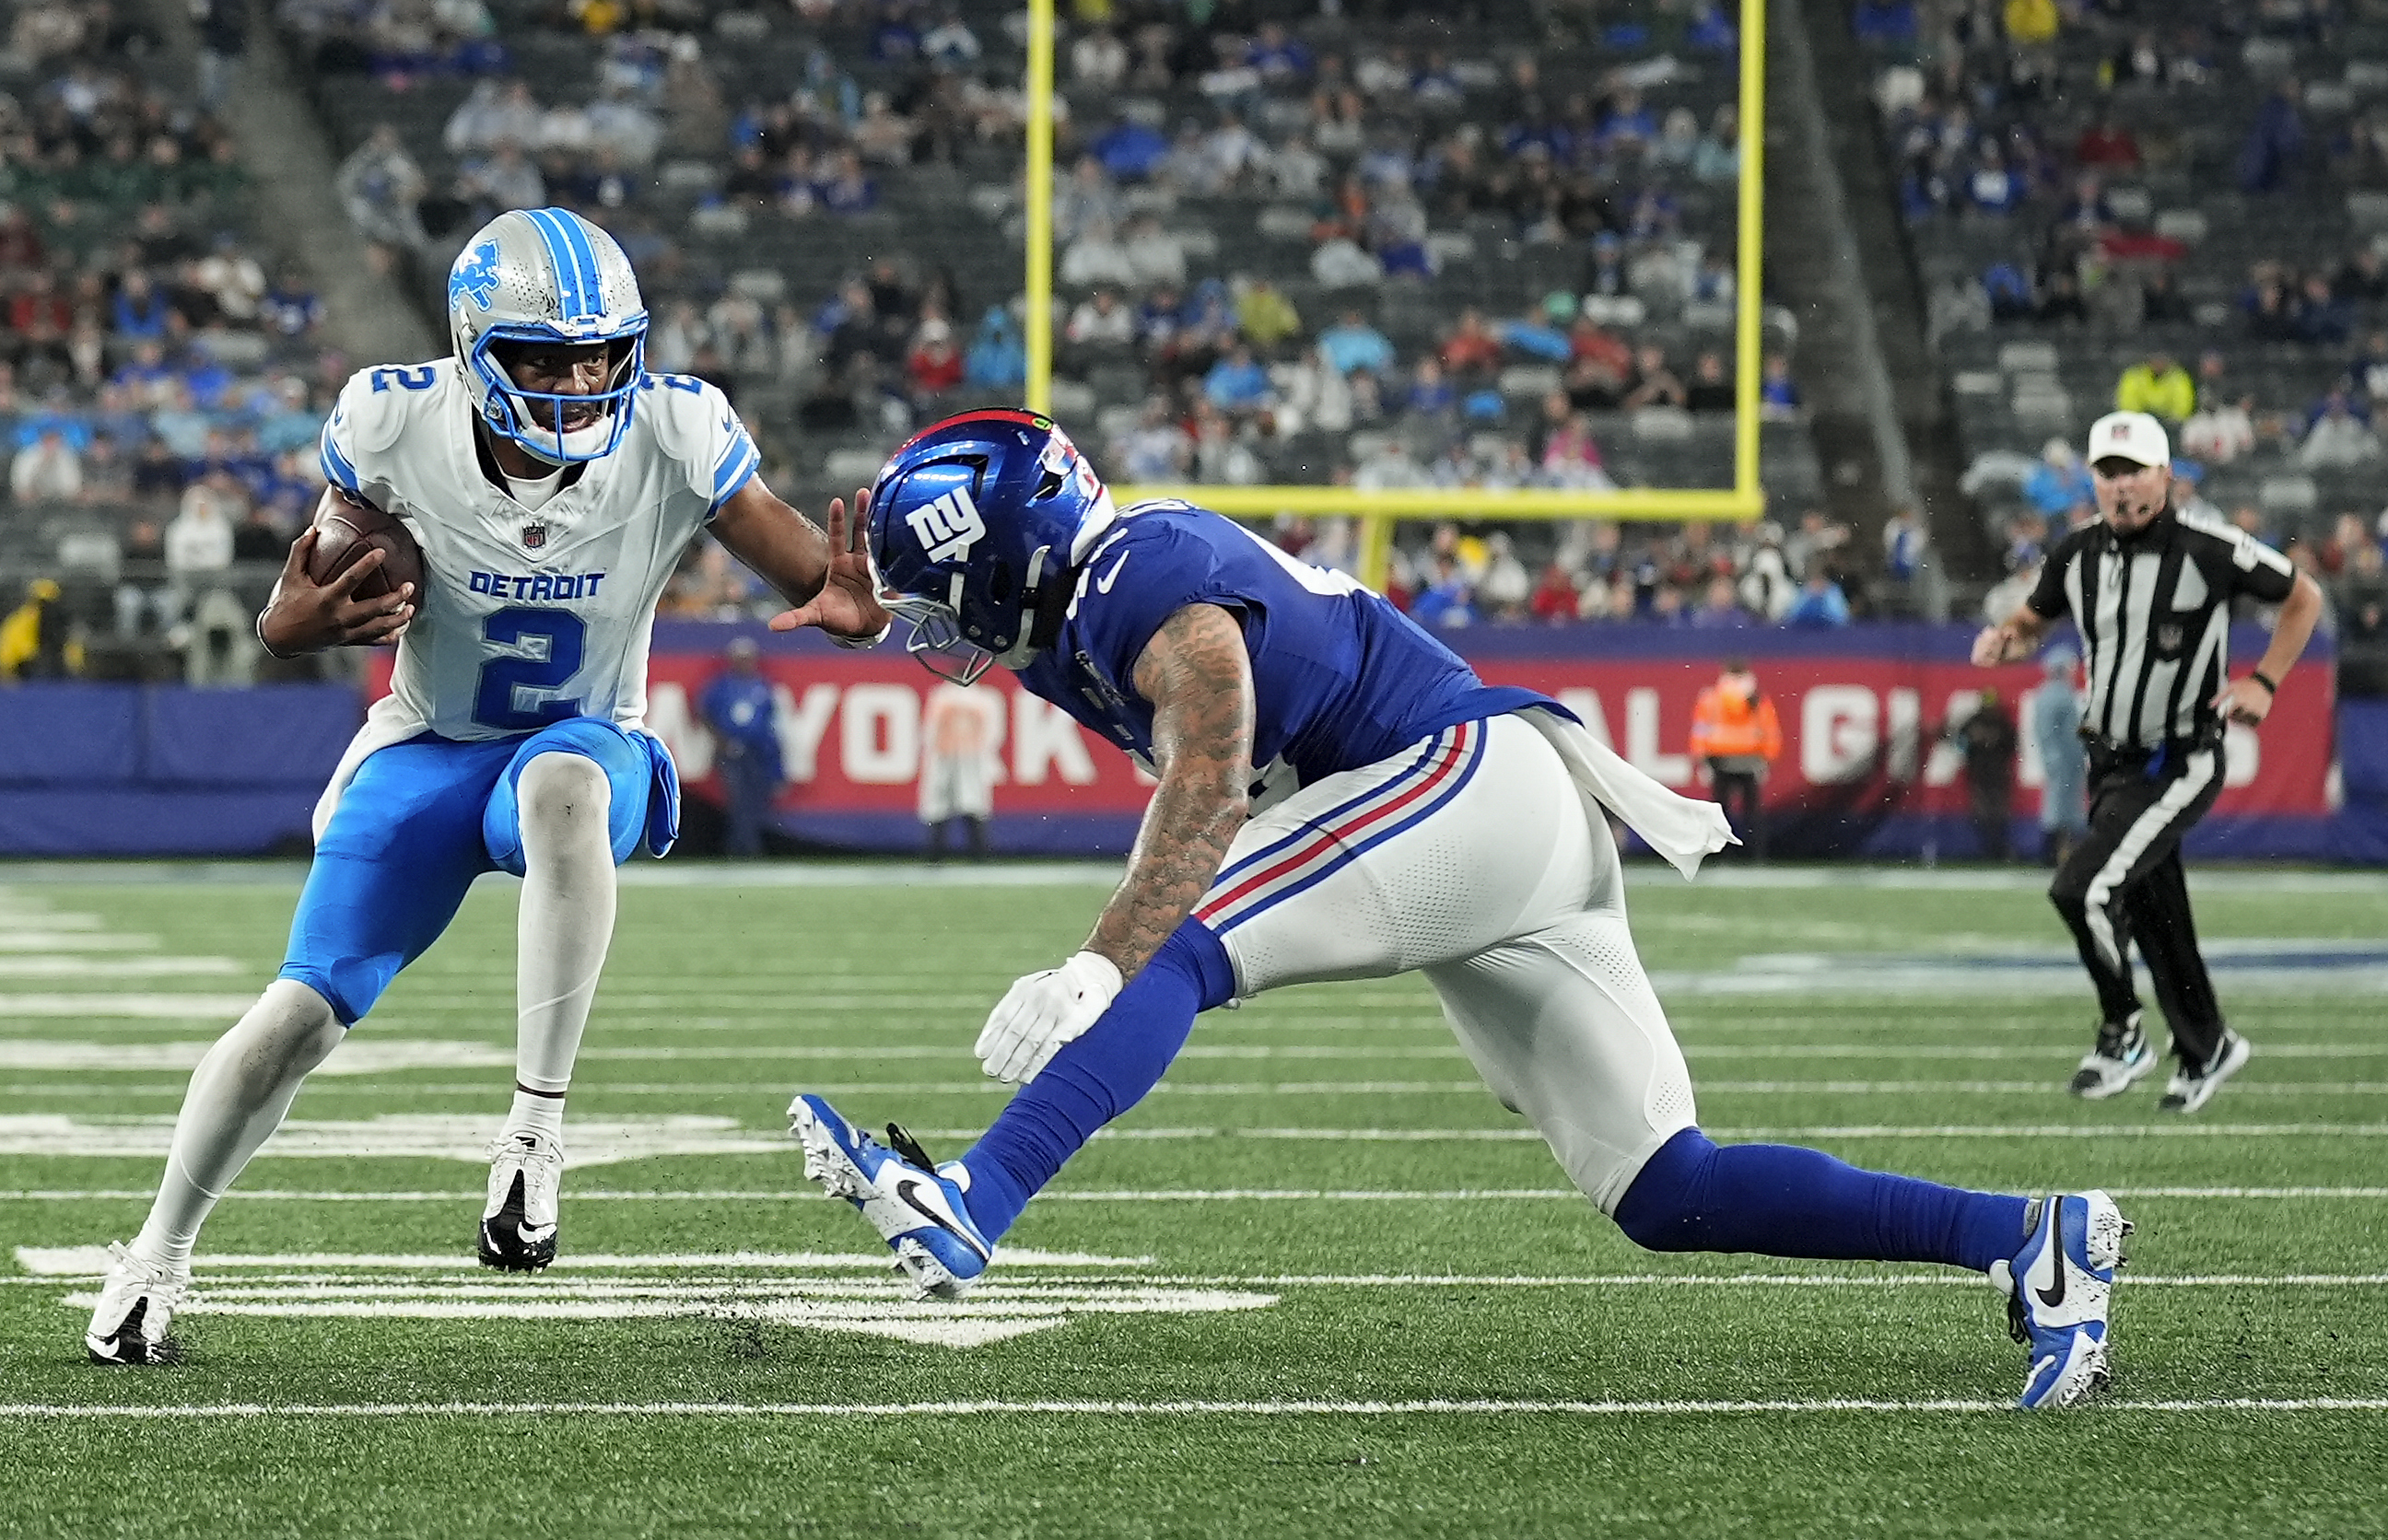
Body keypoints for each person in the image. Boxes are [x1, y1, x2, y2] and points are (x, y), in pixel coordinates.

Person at [786, 408, 2132, 1410]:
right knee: (1671, 1186)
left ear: (992, 562)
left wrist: (1094, 968)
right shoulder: (1080, 595)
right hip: (1510, 814)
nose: (924, 636)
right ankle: (2028, 1236)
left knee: (1176, 947)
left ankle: (975, 1195)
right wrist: (854, 592)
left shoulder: (1138, 580)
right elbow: (1065, 663)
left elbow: (1206, 771)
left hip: (1461, 783)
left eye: (929, 603)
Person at [83, 208, 889, 1366]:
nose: (581, 380)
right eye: (547, 356)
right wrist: (285, 621)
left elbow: (820, 575)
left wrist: (863, 609)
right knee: (296, 1015)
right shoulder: (393, 421)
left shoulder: (675, 430)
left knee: (562, 779)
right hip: (426, 744)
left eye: (602, 353)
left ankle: (533, 1133)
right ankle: (155, 1256)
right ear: (476, 352)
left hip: (583, 742)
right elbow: (310, 579)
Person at [1973, 411, 2324, 1111]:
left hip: (2179, 756)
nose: (2121, 485)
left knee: (2083, 888)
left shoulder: (2209, 548)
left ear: (2167, 476)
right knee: (2159, 916)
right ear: (2092, 481)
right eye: (2108, 471)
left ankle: (2121, 1032)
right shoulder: (2076, 554)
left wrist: (2264, 680)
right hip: (2110, 760)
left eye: (2135, 470)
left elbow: (2302, 597)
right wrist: (2008, 639)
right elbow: (2034, 620)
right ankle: (2208, 1045)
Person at [1687, 659, 1780, 858]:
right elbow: (1769, 732)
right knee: (1749, 812)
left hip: (1725, 758)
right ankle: (1754, 855)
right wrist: (1768, 759)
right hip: (1744, 759)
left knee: (1723, 812)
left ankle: (1722, 855)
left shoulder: (1714, 698)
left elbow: (1700, 730)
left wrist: (1701, 759)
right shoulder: (1754, 699)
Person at [699, 636, 782, 858]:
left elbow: (769, 720)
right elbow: (705, 713)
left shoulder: (761, 684)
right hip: (730, 749)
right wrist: (721, 741)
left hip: (757, 749)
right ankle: (738, 847)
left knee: (755, 799)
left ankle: (749, 845)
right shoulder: (722, 685)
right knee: (738, 800)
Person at [918, 681, 1004, 859]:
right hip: (963, 757)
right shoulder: (982, 697)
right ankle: (978, 855)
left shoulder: (942, 696)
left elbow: (929, 732)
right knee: (971, 804)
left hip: (952, 756)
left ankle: (937, 856)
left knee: (944, 805)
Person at [2032, 647, 2089, 865]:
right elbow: (2047, 731)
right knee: (2058, 805)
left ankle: (2066, 853)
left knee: (2070, 805)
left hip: (2071, 759)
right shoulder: (2051, 695)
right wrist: (2053, 756)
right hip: (2062, 760)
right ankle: (2050, 853)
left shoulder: (2063, 693)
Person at [1955, 687, 2020, 860]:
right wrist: (1972, 743)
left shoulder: (2002, 723)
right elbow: (1959, 743)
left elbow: (2013, 745)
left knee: (1998, 815)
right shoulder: (1973, 722)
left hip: (1998, 776)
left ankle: (1998, 849)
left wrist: (1996, 742)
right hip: (1979, 776)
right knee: (1982, 815)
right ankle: (1985, 849)